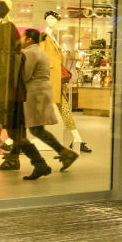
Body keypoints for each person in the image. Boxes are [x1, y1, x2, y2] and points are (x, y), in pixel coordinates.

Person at [0, 21, 51, 180]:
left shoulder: (4, 55)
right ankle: (40, 164)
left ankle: (40, 164)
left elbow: (6, 79)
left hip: (5, 101)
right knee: (16, 136)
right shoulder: (19, 54)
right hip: (15, 101)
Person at [20, 29, 78, 173]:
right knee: (24, 128)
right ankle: (12, 158)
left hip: (35, 94)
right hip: (39, 92)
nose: (20, 39)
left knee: (35, 129)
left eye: (22, 37)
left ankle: (64, 153)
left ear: (29, 39)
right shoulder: (38, 51)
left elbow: (25, 75)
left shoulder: (31, 53)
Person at [42, 11, 91, 154]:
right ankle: (13, 141)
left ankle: (77, 139)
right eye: (48, 18)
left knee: (64, 108)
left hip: (55, 79)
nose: (51, 21)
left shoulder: (53, 37)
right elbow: (42, 58)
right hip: (49, 79)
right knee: (55, 109)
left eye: (53, 18)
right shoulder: (44, 36)